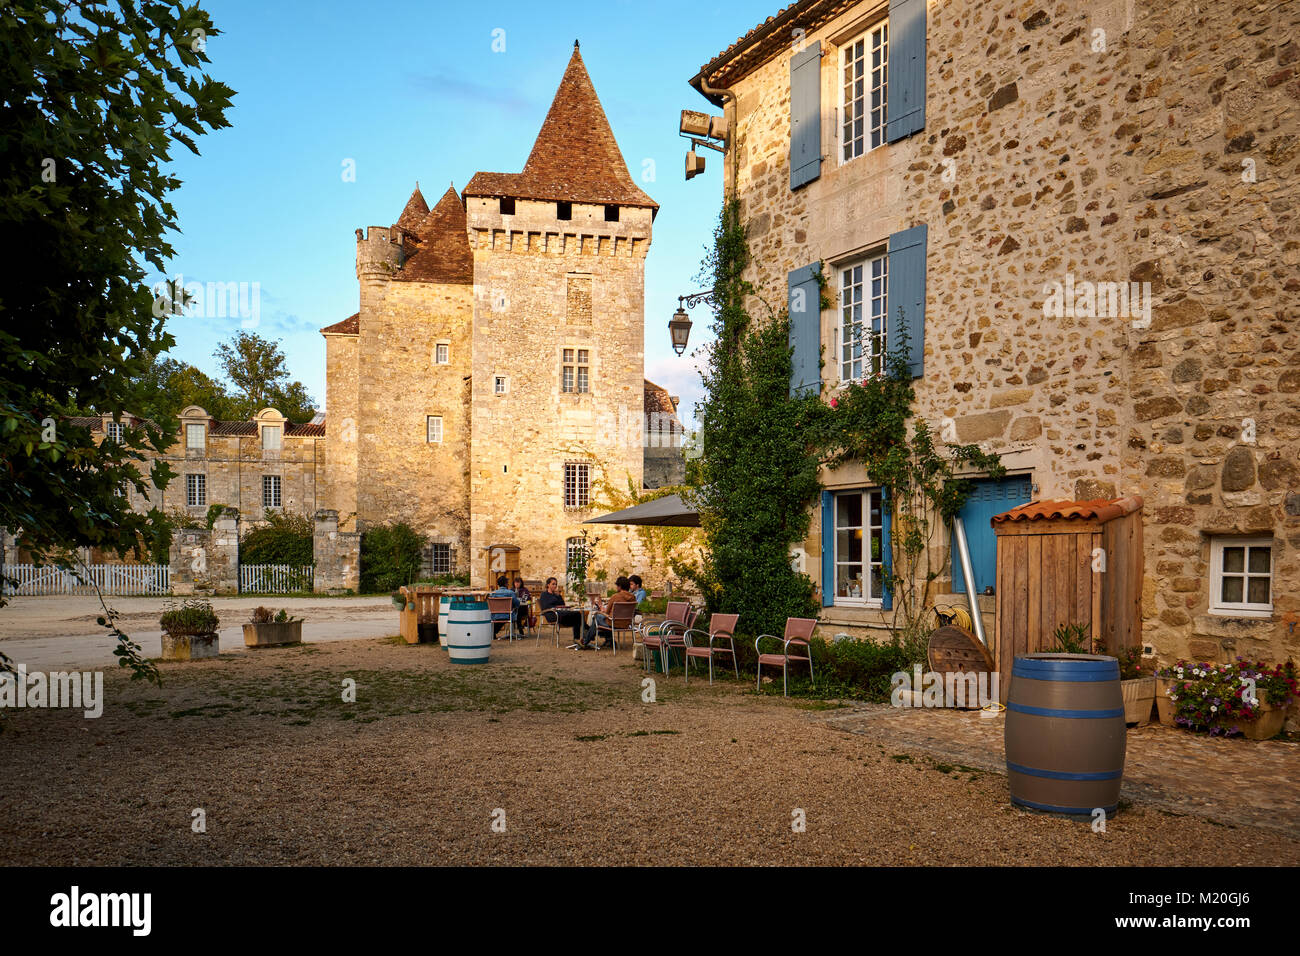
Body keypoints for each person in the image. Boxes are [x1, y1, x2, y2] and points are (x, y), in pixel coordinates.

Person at [579, 575, 637, 649]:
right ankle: (608, 641)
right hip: (626, 624)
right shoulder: (633, 597)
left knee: (597, 617)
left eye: (617, 586)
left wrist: (600, 609)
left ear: (619, 586)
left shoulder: (615, 597)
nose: (616, 587)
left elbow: (606, 612)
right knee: (600, 619)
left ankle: (586, 641)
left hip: (614, 623)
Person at [538, 577, 582, 645]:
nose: (555, 586)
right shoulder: (544, 595)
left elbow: (563, 605)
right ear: (548, 585)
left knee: (577, 615)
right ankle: (587, 629)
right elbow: (545, 607)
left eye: (556, 584)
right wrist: (555, 607)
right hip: (551, 615)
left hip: (560, 614)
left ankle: (577, 639)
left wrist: (558, 596)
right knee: (576, 616)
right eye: (553, 584)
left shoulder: (556, 595)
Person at [488, 574, 524, 639]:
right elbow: (517, 604)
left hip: (495, 615)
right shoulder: (511, 593)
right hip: (508, 615)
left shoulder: (493, 594)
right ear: (506, 584)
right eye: (507, 583)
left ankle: (492, 632)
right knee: (514, 612)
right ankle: (517, 632)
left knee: (500, 617)